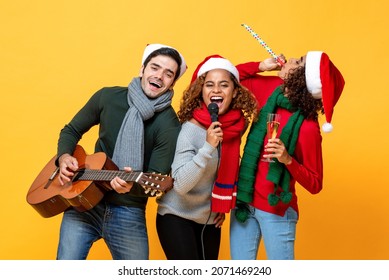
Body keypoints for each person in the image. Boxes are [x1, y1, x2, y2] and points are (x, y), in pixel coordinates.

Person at [55, 43, 187, 260]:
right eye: (154, 68)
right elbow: (71, 130)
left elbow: (155, 180)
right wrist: (64, 157)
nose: (159, 76)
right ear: (142, 69)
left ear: (173, 82)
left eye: (168, 74)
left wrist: (130, 188)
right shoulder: (107, 97)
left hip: (128, 211)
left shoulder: (169, 125)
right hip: (85, 202)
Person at [230, 51, 345, 259]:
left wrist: (287, 160)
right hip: (244, 203)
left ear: (303, 78)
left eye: (298, 61)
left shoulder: (308, 128)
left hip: (277, 211)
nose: (290, 59)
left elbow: (315, 184)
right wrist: (260, 66)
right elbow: (226, 79)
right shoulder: (270, 89)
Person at [156, 55, 258, 260]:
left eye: (224, 85)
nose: (216, 90)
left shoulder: (237, 128)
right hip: (176, 215)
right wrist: (208, 148)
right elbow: (181, 185)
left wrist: (220, 205)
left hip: (210, 219)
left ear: (235, 91)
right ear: (201, 91)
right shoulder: (190, 130)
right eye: (209, 85)